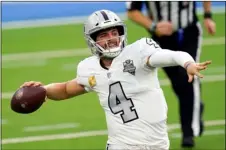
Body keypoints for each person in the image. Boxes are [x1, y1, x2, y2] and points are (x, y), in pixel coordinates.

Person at [21, 10, 211, 150]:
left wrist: (187, 64)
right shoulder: (89, 68)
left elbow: (170, 55)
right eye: (103, 35)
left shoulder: (139, 52)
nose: (111, 38)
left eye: (114, 32)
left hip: (157, 144)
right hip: (120, 145)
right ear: (92, 40)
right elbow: (65, 90)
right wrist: (42, 90)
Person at [126, 1, 216, 147]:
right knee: (178, 83)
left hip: (189, 32)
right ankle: (195, 106)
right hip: (162, 39)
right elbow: (132, 11)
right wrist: (153, 26)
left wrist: (207, 15)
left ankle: (189, 132)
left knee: (187, 77)